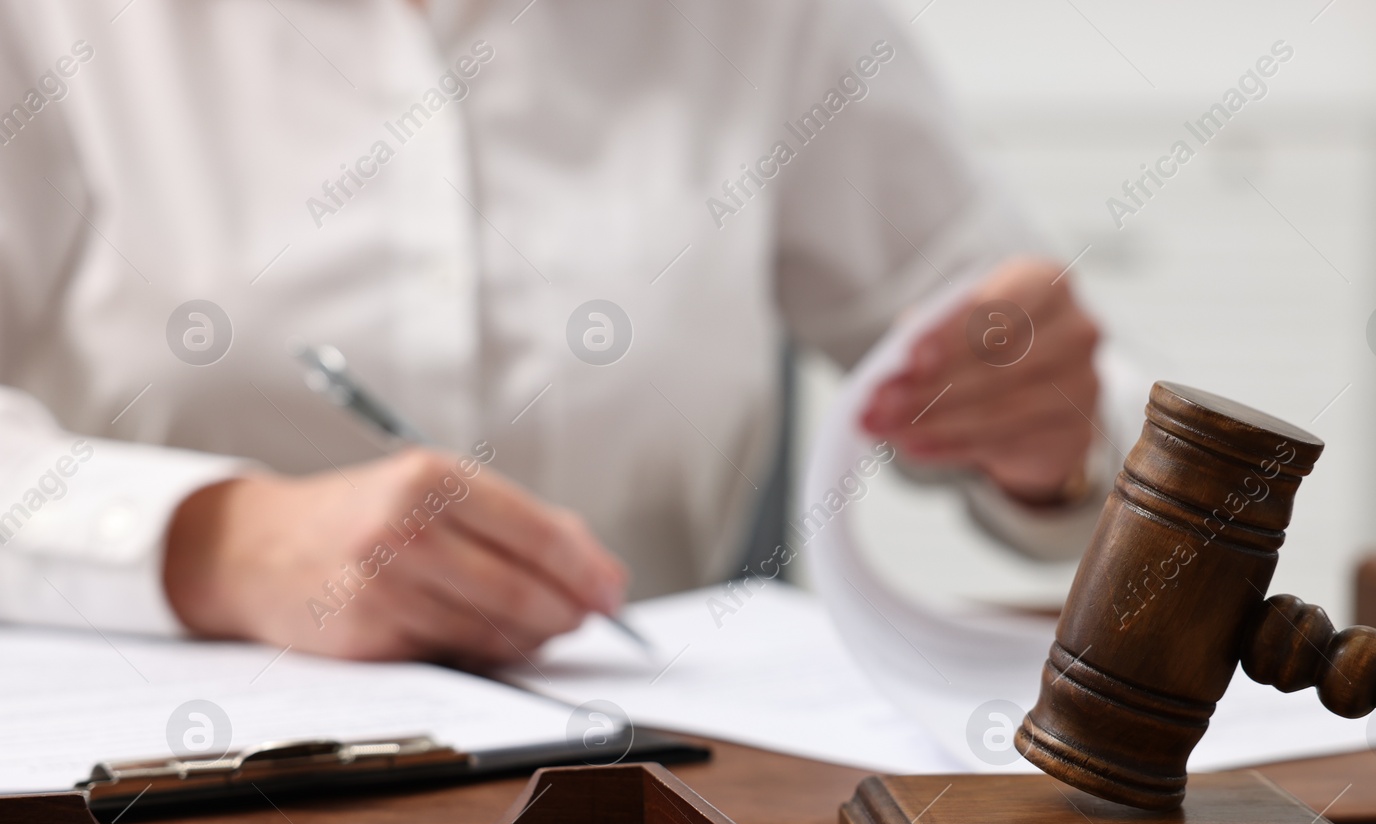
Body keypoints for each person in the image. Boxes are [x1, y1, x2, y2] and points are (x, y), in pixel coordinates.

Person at [0, 0, 1107, 665]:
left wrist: (1052, 438)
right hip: (152, 804)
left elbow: (1058, 382)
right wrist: (211, 543)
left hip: (664, 805)